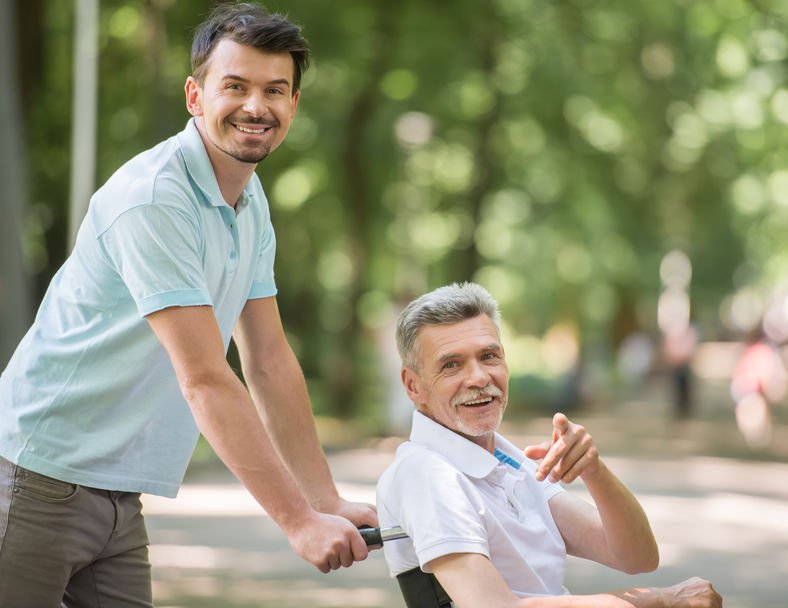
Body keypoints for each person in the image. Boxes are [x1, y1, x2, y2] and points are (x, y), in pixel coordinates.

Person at [0, 3, 376, 606]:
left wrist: (323, 500)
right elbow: (205, 377)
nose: (257, 106)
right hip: (35, 480)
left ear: (293, 106)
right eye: (236, 86)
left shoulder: (248, 205)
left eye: (274, 90)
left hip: (118, 495)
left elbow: (269, 360)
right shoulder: (155, 199)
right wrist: (297, 522)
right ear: (195, 96)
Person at [377, 282, 722, 607]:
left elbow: (637, 556)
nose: (480, 377)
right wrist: (658, 600)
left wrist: (594, 470)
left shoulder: (507, 458)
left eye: (489, 356)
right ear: (413, 386)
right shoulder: (425, 472)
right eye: (451, 365)